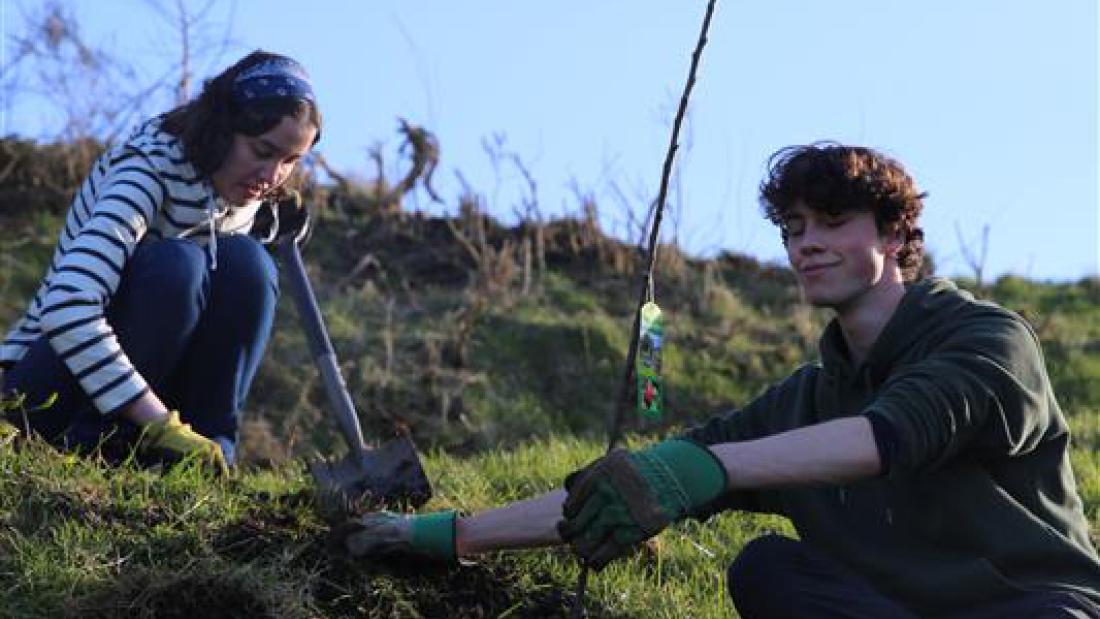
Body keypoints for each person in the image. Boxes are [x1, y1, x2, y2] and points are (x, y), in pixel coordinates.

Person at [335, 144, 1100, 618]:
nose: (807, 245)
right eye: (794, 228)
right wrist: (447, 533)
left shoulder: (987, 340)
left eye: (832, 222)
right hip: (893, 611)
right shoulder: (805, 399)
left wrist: (716, 467)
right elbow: (638, 479)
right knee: (768, 569)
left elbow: (886, 437)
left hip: (1029, 606)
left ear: (896, 234)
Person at [0, 50, 321, 473]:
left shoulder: (240, 193)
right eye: (262, 150)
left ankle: (206, 459)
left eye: (289, 161)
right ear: (222, 128)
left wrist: (265, 222)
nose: (271, 176)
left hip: (149, 402)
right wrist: (158, 423)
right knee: (178, 267)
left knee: (250, 263)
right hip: (48, 394)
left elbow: (221, 283)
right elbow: (67, 307)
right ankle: (96, 446)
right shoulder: (145, 171)